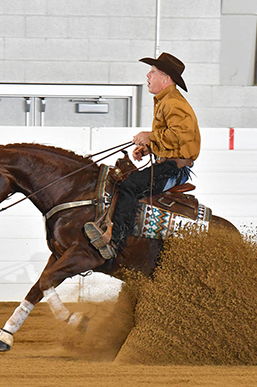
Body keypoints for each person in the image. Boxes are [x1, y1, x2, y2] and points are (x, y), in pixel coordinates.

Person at [85, 52, 201, 259]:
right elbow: (174, 140)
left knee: (130, 186)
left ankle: (115, 241)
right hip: (169, 165)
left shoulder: (173, 103)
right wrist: (150, 147)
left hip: (174, 170)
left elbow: (181, 135)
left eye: (153, 72)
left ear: (166, 79)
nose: (148, 75)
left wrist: (149, 136)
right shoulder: (166, 101)